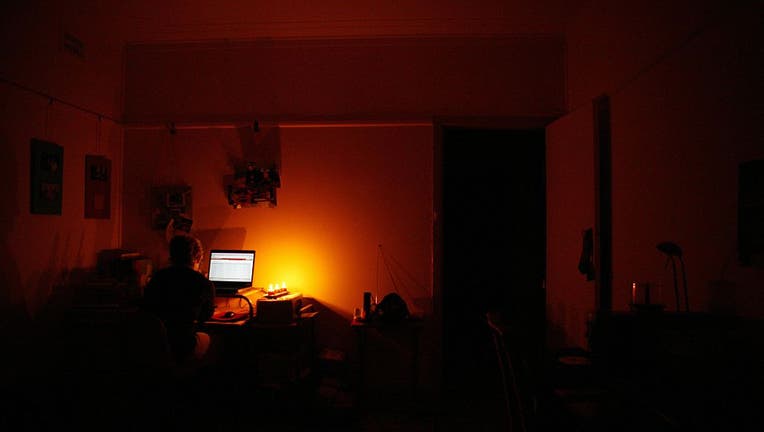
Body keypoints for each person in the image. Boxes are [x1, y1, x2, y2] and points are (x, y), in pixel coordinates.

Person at [142, 234, 217, 369]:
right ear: (197, 257)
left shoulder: (157, 277)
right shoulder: (203, 283)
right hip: (183, 343)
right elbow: (205, 317)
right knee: (215, 340)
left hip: (154, 343)